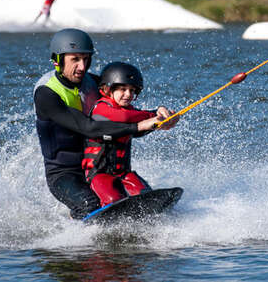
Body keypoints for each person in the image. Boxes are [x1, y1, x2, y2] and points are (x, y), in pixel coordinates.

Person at [33, 28, 171, 219]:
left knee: (142, 199)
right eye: (75, 59)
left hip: (100, 168)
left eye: (86, 59)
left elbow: (125, 118)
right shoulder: (46, 94)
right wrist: (140, 125)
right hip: (64, 174)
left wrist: (158, 118)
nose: (82, 67)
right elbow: (88, 128)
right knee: (90, 204)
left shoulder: (96, 83)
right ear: (58, 60)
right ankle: (77, 244)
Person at [82, 62, 177, 207]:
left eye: (132, 90)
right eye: (122, 89)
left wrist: (165, 120)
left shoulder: (131, 111)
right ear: (108, 89)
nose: (128, 95)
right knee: (114, 200)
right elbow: (125, 118)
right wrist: (153, 115)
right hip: (98, 174)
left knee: (145, 195)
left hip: (123, 173)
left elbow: (138, 126)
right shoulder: (101, 108)